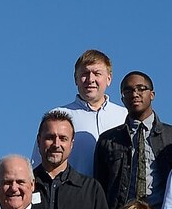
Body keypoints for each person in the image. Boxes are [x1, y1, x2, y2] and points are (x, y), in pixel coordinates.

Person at [92, 71, 172, 209]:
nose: (135, 94)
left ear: (152, 94)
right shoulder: (108, 140)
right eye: (128, 90)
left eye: (141, 88)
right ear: (122, 97)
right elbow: (99, 188)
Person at [39, 48, 127, 177]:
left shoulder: (124, 116)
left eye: (97, 73)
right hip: (71, 194)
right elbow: (38, 165)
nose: (90, 79)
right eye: (85, 73)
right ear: (76, 78)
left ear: (109, 79)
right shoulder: (57, 117)